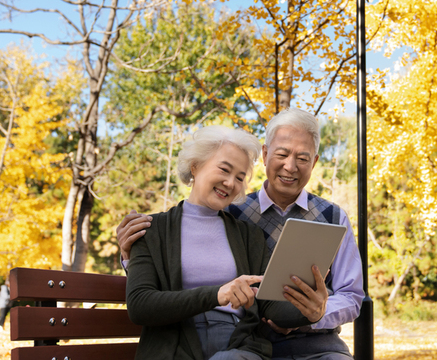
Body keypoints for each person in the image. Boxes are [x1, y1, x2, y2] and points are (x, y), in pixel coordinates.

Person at [119, 109, 364, 360]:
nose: (290, 166)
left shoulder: (328, 218)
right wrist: (130, 257)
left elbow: (349, 296)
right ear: (266, 154)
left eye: (239, 177)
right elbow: (156, 284)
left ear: (313, 163)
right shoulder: (234, 212)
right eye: (282, 154)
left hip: (309, 345)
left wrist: (316, 313)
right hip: (241, 342)